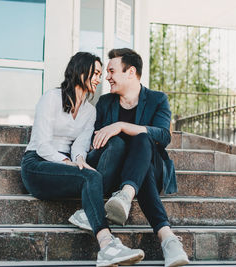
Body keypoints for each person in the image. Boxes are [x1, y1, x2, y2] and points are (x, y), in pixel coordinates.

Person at [21, 52, 144, 267]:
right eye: (96, 73)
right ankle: (107, 245)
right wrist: (69, 163)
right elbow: (42, 145)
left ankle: (91, 216)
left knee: (105, 157)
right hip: (37, 165)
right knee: (90, 177)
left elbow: (80, 144)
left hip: (67, 163)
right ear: (80, 71)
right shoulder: (51, 98)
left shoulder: (90, 111)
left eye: (100, 74)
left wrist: (79, 160)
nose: (99, 78)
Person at [69, 48, 189, 267]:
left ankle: (126, 194)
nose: (107, 77)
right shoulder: (105, 103)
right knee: (126, 146)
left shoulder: (157, 99)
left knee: (143, 140)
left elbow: (163, 136)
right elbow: (95, 142)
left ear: (130, 72)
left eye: (112, 71)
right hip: (114, 172)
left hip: (151, 167)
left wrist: (121, 125)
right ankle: (168, 239)